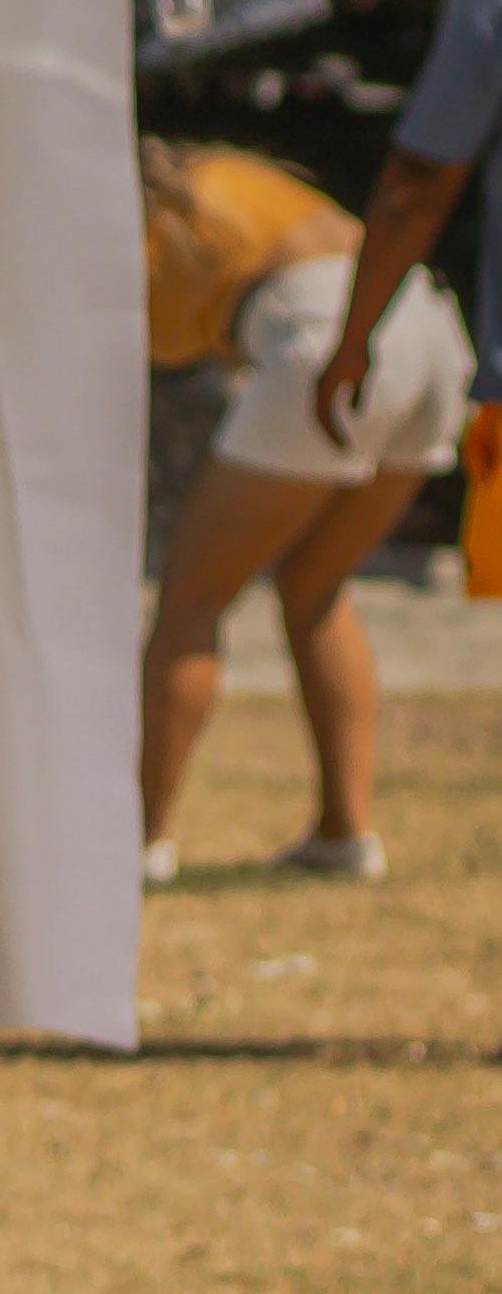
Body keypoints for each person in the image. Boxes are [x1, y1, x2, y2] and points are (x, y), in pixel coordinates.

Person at [140, 132, 467, 882]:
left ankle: (139, 840)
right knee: (313, 587)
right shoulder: (229, 173)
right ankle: (344, 833)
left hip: (326, 333)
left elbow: (151, 349)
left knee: (192, 595)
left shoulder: (148, 216)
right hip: (424, 322)